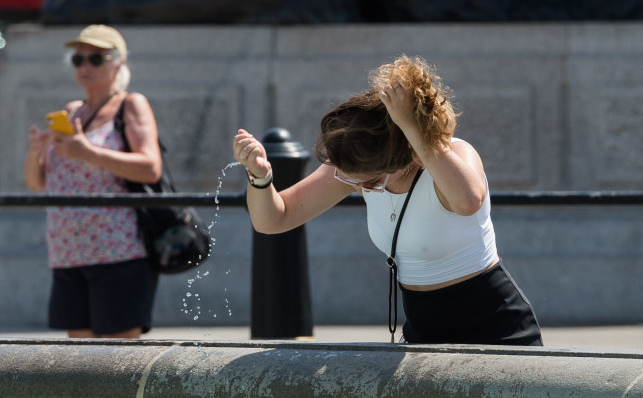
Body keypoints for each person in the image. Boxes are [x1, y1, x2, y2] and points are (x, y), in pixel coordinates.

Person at [233, 55, 543, 345]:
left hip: (497, 329)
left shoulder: (453, 155)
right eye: (352, 178)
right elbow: (273, 219)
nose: (362, 186)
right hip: (422, 333)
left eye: (372, 181)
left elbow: (468, 201)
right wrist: (260, 178)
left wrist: (412, 127)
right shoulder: (356, 168)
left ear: (407, 155)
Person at [24, 24, 162, 339]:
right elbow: (36, 184)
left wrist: (89, 153)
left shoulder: (130, 104)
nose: (85, 66)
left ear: (118, 63)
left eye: (96, 59)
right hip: (68, 252)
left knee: (118, 364)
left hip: (119, 250)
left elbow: (150, 167)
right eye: (78, 59)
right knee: (80, 366)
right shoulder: (71, 112)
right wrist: (34, 153)